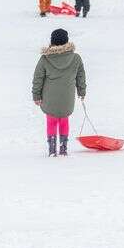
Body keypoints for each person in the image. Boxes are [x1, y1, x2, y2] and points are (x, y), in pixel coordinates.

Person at [32, 29, 86, 157]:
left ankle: (52, 148)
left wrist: (36, 95)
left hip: (49, 98)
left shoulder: (45, 59)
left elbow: (38, 78)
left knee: (51, 120)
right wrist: (81, 91)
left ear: (52, 42)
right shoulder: (76, 58)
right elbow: (81, 77)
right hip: (67, 98)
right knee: (64, 120)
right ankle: (63, 148)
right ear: (67, 41)